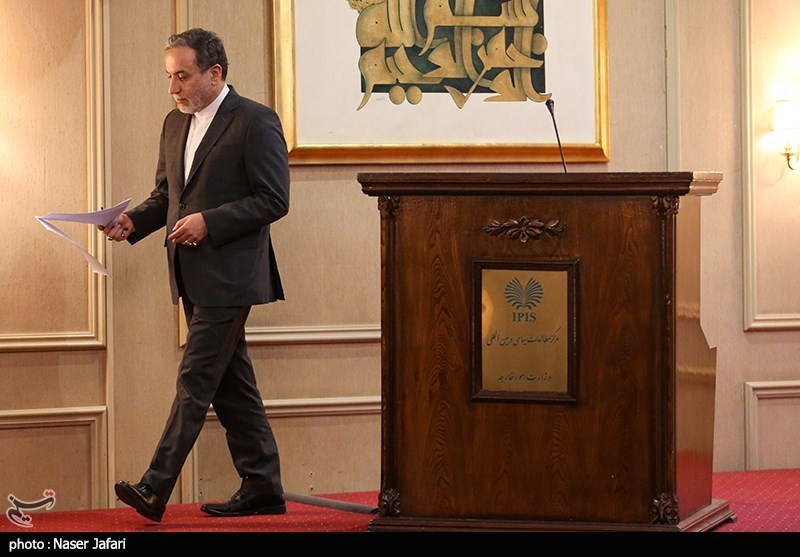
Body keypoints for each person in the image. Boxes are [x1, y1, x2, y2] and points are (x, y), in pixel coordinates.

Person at [99, 28, 290, 523]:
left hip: (232, 276)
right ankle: (263, 486)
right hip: (189, 274)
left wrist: (211, 222)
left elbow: (274, 199)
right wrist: (132, 222)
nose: (173, 88)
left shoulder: (255, 120)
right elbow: (168, 196)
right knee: (231, 384)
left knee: (195, 379)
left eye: (182, 76)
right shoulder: (173, 123)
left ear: (215, 73)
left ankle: (154, 487)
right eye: (169, 76)